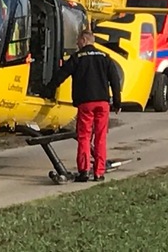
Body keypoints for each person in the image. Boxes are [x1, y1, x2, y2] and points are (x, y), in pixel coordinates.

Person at [47, 29, 121, 182]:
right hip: (103, 102)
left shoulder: (77, 58)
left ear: (84, 40)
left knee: (84, 137)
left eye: (78, 41)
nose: (76, 43)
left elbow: (61, 75)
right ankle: (99, 172)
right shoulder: (105, 57)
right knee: (101, 138)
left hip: (85, 103)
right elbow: (115, 80)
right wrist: (118, 103)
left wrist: (47, 90)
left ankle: (84, 171)